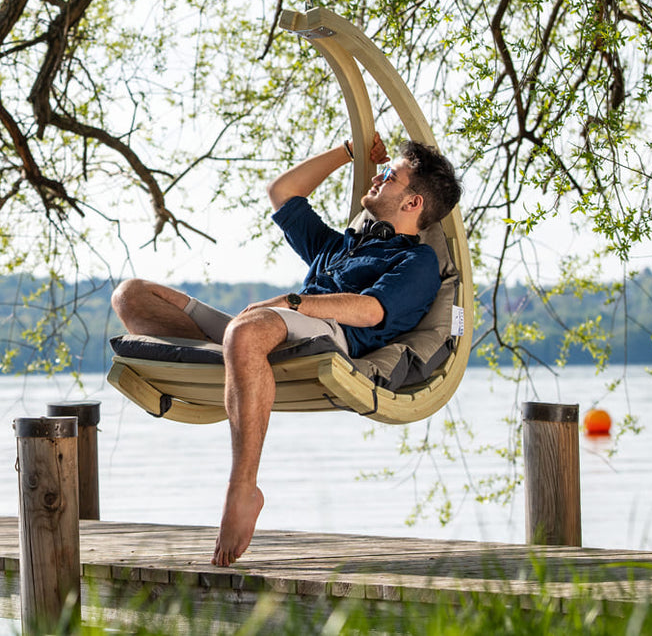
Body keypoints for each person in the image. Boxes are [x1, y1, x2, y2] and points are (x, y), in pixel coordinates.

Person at [111, 134, 462, 566]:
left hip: (326, 340)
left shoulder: (417, 262)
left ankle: (243, 487)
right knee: (132, 296)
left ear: (413, 204)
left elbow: (372, 311)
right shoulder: (341, 246)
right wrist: (348, 151)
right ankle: (238, 366)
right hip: (268, 334)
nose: (376, 177)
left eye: (389, 176)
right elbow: (283, 193)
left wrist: (292, 303)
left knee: (247, 330)